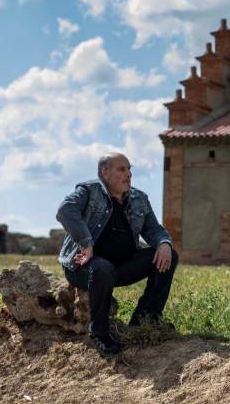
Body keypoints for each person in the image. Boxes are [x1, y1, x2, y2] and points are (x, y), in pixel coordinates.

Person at [56, 152, 177, 357]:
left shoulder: (139, 198)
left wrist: (164, 243)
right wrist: (86, 243)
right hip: (84, 265)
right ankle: (100, 332)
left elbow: (154, 230)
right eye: (122, 169)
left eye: (130, 169)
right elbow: (65, 210)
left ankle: (145, 320)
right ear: (105, 172)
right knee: (103, 268)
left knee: (169, 255)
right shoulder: (89, 190)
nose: (128, 174)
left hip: (121, 266)